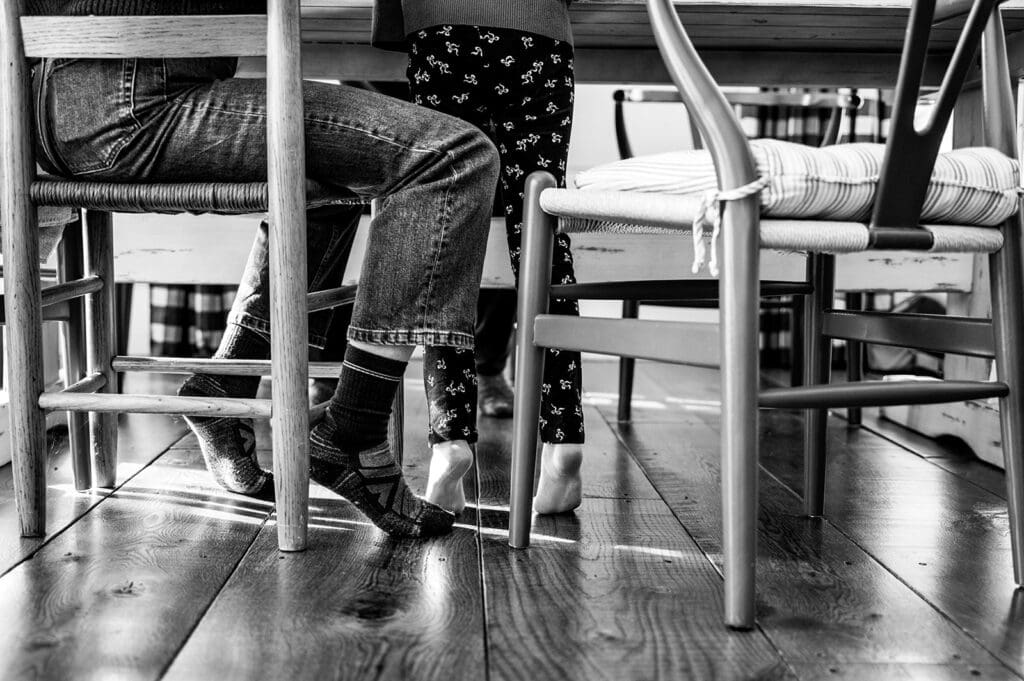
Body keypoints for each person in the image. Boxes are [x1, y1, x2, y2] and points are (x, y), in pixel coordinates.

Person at [31, 0, 500, 538]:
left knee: (334, 172)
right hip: (134, 109)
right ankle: (354, 427)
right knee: (454, 156)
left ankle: (225, 387)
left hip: (53, 115)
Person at [373, 0, 587, 516]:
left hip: (444, 34)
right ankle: (563, 437)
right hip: (543, 39)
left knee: (449, 234)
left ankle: (450, 441)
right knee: (542, 231)